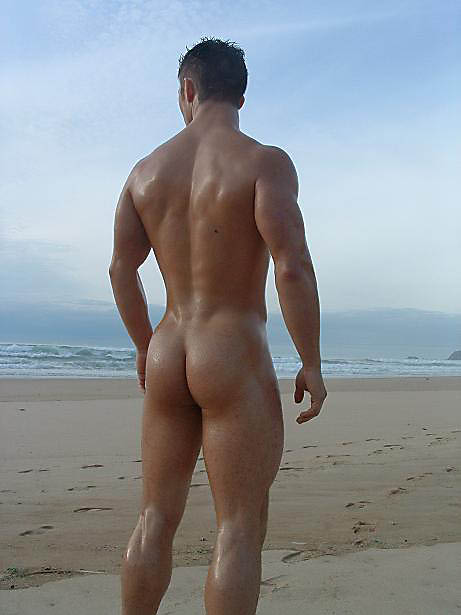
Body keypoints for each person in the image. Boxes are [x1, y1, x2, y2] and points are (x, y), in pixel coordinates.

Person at [109, 36, 327, 615]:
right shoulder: (263, 162)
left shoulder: (144, 172)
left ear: (189, 89)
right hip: (230, 350)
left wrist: (143, 345)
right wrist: (311, 360)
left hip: (168, 348)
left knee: (155, 517)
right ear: (241, 97)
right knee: (238, 527)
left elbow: (121, 271)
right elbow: (292, 267)